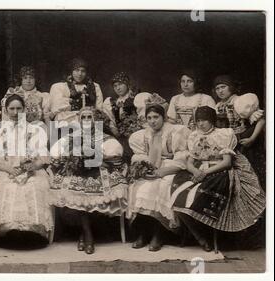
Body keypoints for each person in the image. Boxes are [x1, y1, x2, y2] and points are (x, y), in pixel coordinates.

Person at [171, 106, 266, 251]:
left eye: (205, 120)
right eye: (198, 121)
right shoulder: (193, 136)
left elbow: (227, 163)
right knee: (177, 195)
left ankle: (210, 236)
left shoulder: (224, 134)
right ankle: (200, 237)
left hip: (219, 171)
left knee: (201, 196)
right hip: (199, 171)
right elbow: (189, 162)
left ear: (212, 120)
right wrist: (196, 171)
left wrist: (205, 173)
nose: (201, 124)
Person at [49, 107, 128, 254]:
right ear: (79, 120)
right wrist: (74, 158)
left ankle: (85, 234)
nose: (86, 120)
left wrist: (95, 158)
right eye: (83, 117)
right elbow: (56, 153)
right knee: (74, 191)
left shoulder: (103, 137)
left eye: (89, 117)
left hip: (99, 171)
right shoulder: (72, 137)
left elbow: (114, 154)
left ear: (94, 120)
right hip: (76, 172)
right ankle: (87, 234)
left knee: (94, 195)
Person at [0, 94, 54, 242]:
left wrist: (33, 166)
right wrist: (9, 169)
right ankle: (7, 230)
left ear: (24, 110)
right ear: (6, 110)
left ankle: (34, 230)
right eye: (12, 109)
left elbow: (43, 156)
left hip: (31, 170)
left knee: (36, 184)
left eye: (19, 109)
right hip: (6, 170)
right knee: (5, 186)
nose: (16, 112)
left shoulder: (34, 129)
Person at [127, 104, 190, 251]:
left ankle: (159, 234)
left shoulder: (175, 132)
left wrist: (163, 171)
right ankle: (143, 233)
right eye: (149, 118)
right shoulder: (143, 134)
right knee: (139, 186)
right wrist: (144, 168)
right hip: (151, 166)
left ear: (164, 117)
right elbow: (140, 156)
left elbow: (182, 159)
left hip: (170, 167)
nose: (152, 121)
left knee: (161, 187)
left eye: (156, 117)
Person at [213, 74, 266, 187]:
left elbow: (261, 121)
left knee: (249, 172)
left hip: (244, 141)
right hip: (228, 143)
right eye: (217, 88)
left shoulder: (241, 101)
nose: (220, 91)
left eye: (223, 87)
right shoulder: (218, 106)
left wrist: (252, 139)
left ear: (231, 87)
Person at [49, 58, 103, 125]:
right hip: (67, 121)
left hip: (89, 120)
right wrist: (76, 105)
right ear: (71, 71)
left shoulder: (94, 86)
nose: (80, 74)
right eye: (77, 70)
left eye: (83, 71)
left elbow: (99, 108)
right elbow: (56, 108)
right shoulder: (59, 86)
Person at [103, 72, 142, 163]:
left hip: (137, 133)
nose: (118, 88)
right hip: (120, 135)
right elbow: (111, 120)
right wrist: (115, 131)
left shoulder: (136, 98)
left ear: (127, 84)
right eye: (115, 86)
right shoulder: (112, 102)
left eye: (120, 84)